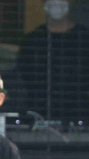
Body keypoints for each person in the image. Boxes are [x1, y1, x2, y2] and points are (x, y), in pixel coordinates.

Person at [16, 0, 89, 128]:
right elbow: (24, 75)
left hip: (79, 112)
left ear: (70, 3)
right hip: (40, 111)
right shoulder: (33, 40)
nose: (56, 4)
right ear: (44, 5)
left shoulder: (83, 38)